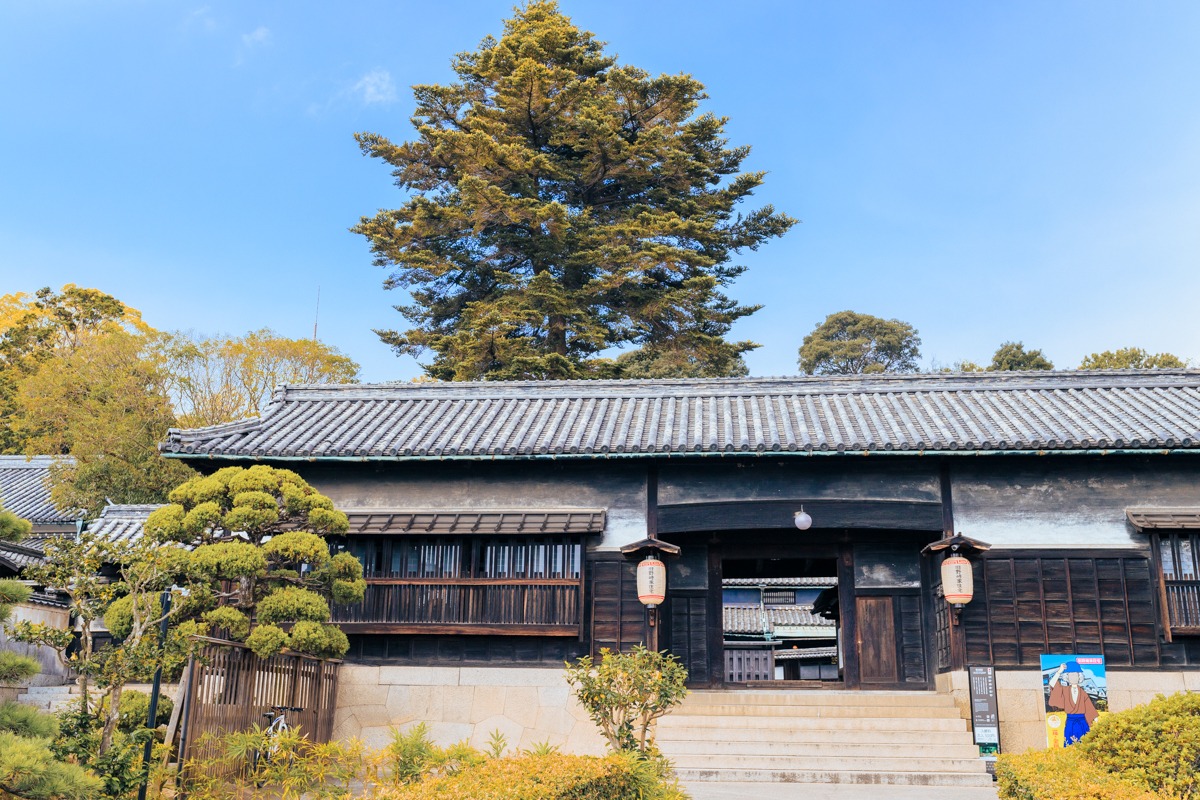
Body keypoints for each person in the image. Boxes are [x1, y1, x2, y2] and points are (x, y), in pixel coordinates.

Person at [1047, 660, 1099, 745]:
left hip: (1082, 723)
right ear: (1066, 677)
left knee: (1084, 743)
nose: (1073, 677)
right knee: (1069, 743)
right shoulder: (1065, 690)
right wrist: (1059, 672)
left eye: (1075, 675)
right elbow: (1052, 684)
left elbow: (1089, 707)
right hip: (1070, 722)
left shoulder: (1083, 692)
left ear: (1079, 677)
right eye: (1071, 675)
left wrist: (1096, 720)